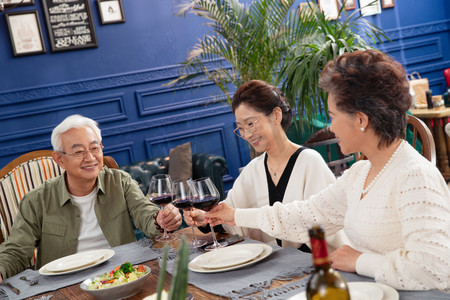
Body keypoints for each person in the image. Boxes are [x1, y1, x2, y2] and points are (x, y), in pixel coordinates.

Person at [205, 50, 450, 291]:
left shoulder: (415, 175)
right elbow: (305, 215)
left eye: (333, 116)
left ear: (361, 119)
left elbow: (435, 269)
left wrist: (358, 261)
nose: (331, 128)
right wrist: (235, 215)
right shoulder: (359, 174)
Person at [0, 115, 182, 281]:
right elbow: (16, 251)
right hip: (64, 285)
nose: (90, 158)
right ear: (59, 159)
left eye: (94, 148)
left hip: (123, 274)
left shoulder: (119, 181)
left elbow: (145, 212)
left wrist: (160, 220)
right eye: (79, 152)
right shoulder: (37, 199)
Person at [186, 80, 337, 249]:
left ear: (276, 116)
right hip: (274, 266)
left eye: (250, 124)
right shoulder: (253, 169)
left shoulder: (310, 162)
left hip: (314, 264)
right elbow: (231, 217)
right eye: (241, 128)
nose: (247, 134)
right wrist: (204, 218)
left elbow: (324, 225)